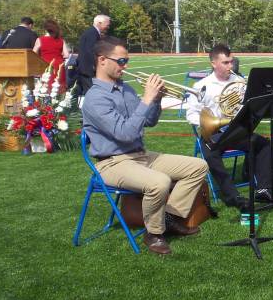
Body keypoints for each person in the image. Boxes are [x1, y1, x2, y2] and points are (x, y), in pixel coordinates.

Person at [82, 36, 208, 255]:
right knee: (159, 182)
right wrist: (147, 98)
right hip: (112, 163)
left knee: (198, 166)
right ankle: (154, 233)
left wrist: (157, 100)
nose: (126, 66)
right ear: (102, 60)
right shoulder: (95, 98)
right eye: (121, 61)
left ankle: (170, 218)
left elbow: (148, 121)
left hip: (140, 156)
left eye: (126, 61)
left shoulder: (127, 89)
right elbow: (125, 133)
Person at [186, 44, 270, 210]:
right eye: (225, 63)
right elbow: (191, 114)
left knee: (264, 144)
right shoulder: (201, 86)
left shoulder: (239, 82)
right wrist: (209, 122)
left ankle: (263, 189)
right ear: (213, 63)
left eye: (231, 62)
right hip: (214, 133)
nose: (230, 66)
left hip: (236, 130)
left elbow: (248, 106)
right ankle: (233, 197)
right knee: (211, 155)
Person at [73, 15, 110, 101]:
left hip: (85, 68)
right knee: (91, 93)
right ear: (99, 23)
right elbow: (91, 52)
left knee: (85, 93)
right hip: (88, 69)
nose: (108, 27)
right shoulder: (92, 33)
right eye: (107, 25)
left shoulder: (91, 32)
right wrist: (97, 66)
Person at [33, 19, 70, 92]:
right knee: (59, 87)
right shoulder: (61, 40)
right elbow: (67, 55)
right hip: (59, 66)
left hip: (46, 65)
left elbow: (33, 54)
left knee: (47, 87)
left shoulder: (40, 40)